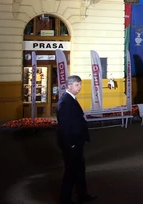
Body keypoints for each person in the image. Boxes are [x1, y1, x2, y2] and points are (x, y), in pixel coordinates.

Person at [57, 75, 96, 204]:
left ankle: (82, 195)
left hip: (77, 142)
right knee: (71, 171)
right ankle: (65, 199)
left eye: (80, 84)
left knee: (79, 170)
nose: (79, 87)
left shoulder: (71, 99)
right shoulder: (65, 102)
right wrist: (72, 143)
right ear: (69, 86)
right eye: (77, 85)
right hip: (71, 144)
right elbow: (65, 126)